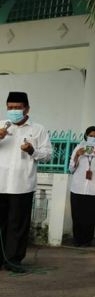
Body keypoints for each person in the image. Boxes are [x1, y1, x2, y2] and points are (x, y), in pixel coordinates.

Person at [0, 91, 52, 273]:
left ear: (27, 109)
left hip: (22, 184)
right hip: (1, 183)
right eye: (10, 107)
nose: (13, 111)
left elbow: (48, 155)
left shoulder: (37, 129)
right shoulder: (1, 126)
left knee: (18, 224)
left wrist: (32, 150)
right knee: (1, 223)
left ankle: (13, 260)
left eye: (17, 108)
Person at [69, 126, 95, 247]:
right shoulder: (78, 148)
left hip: (94, 189)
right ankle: (77, 239)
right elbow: (71, 169)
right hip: (78, 187)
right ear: (86, 135)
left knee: (91, 216)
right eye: (91, 136)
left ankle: (87, 240)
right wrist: (77, 156)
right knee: (77, 215)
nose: (93, 138)